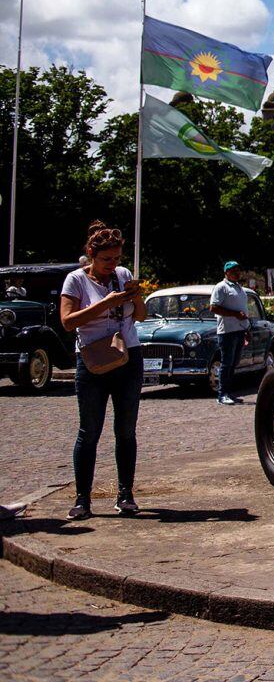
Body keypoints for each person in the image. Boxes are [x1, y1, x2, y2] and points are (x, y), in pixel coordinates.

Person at [58, 223, 147, 520]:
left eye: (117, 259)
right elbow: (68, 321)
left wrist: (135, 296)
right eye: (107, 259)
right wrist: (105, 304)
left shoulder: (122, 277)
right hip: (93, 359)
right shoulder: (76, 281)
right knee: (89, 430)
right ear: (91, 256)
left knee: (126, 430)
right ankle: (83, 498)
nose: (113, 265)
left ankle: (126, 495)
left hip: (127, 356)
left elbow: (142, 316)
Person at [210, 260, 250, 406]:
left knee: (234, 363)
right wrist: (234, 314)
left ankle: (229, 392)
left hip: (240, 329)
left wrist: (246, 329)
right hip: (227, 331)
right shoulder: (221, 287)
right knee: (226, 363)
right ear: (226, 272)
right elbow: (213, 307)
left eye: (238, 270)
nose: (237, 273)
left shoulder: (239, 287)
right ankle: (222, 394)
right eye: (233, 271)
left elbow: (243, 309)